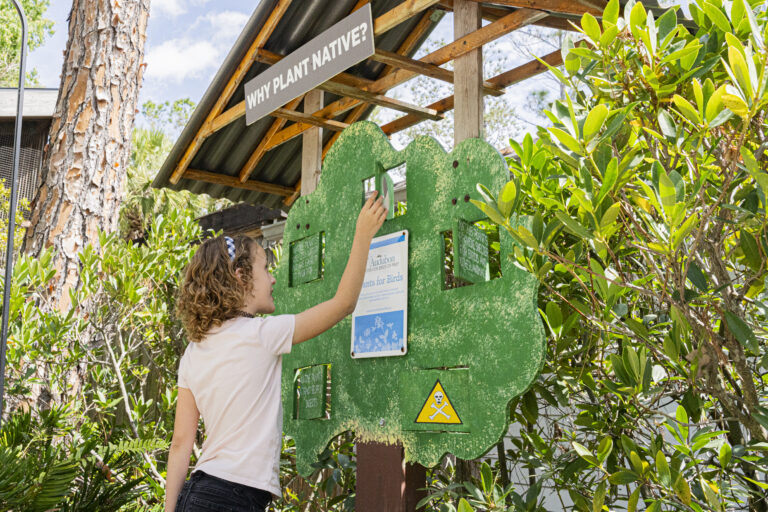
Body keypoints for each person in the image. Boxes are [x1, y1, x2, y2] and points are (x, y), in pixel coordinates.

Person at [165, 193, 387, 511]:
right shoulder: (263, 334)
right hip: (232, 499)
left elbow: (180, 444)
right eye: (265, 269)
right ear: (241, 279)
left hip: (200, 493)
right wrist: (363, 234)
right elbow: (343, 304)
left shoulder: (194, 351)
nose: (272, 279)